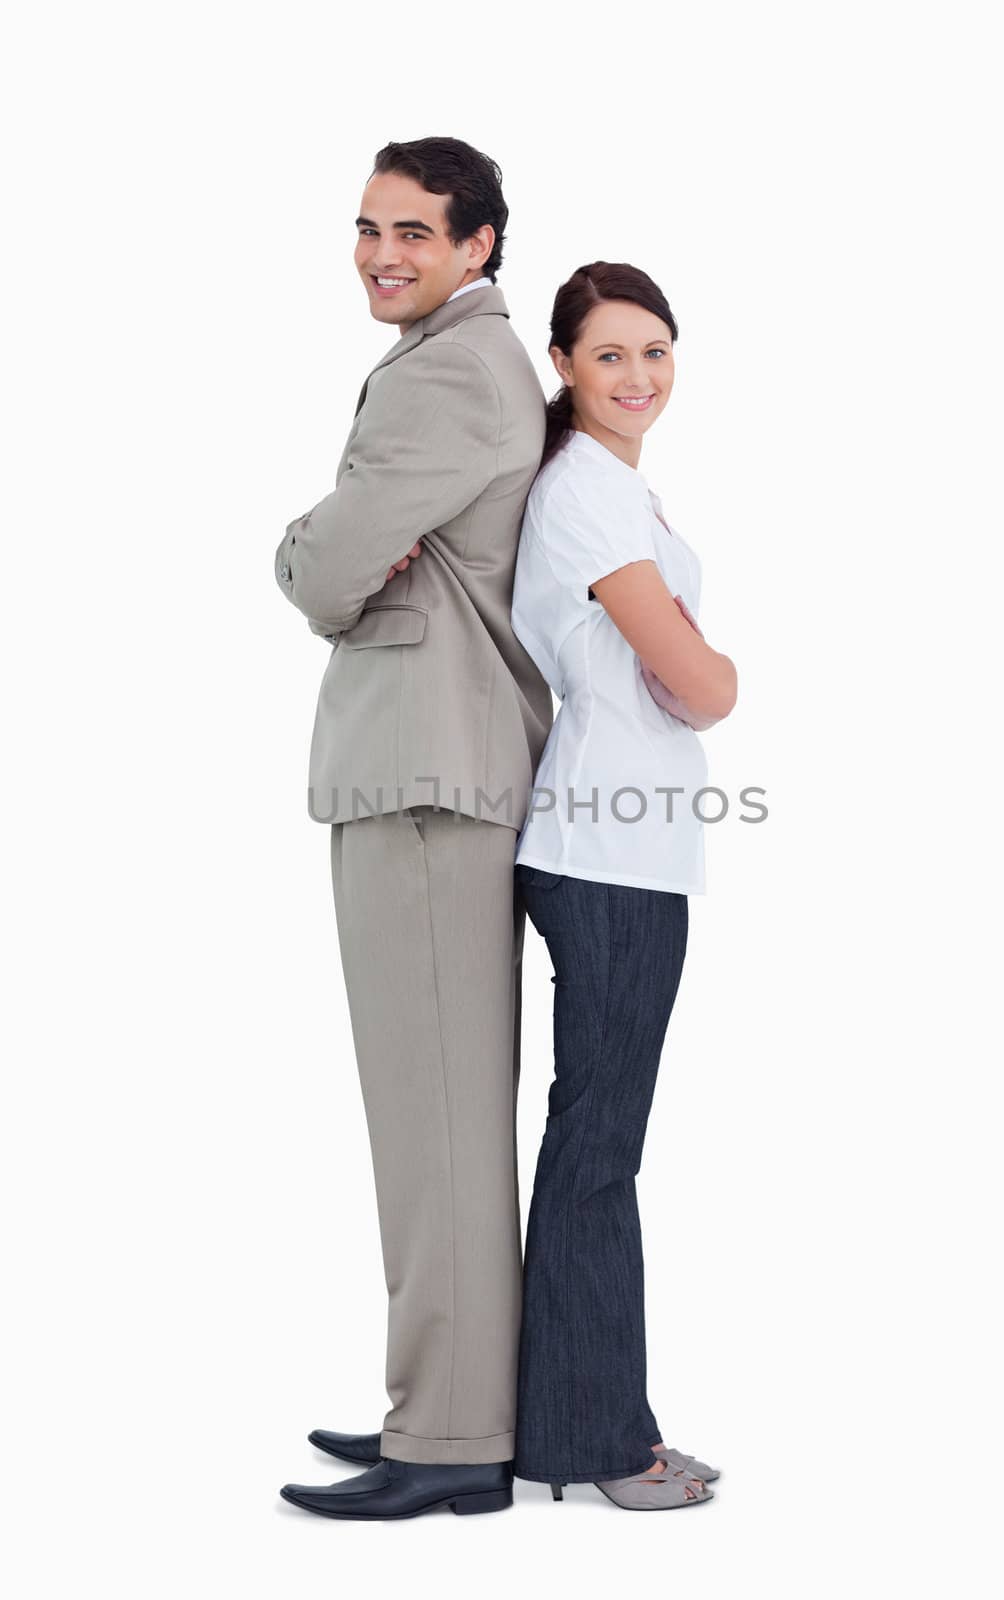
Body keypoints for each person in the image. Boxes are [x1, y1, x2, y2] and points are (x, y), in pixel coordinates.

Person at [274, 137, 552, 1520]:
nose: (384, 252)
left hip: (428, 780)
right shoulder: (450, 361)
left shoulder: (451, 370)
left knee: (437, 1124)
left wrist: (303, 550)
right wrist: (342, 544)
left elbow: (327, 563)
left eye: (417, 233)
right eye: (369, 226)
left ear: (479, 246)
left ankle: (448, 1441)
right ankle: (430, 1408)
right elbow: (358, 547)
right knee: (423, 1121)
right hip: (417, 772)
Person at [508, 261, 738, 1509]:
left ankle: (592, 1421)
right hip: (604, 851)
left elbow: (674, 668)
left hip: (625, 848)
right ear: (561, 364)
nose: (637, 376)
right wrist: (720, 673)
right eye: (608, 355)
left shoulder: (615, 491)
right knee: (597, 1151)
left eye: (654, 351)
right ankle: (598, 1444)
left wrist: (695, 665)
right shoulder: (588, 496)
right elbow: (695, 687)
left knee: (597, 1146)